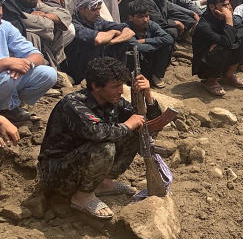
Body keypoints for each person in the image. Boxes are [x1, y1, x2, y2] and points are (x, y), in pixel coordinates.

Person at [37, 56, 159, 219]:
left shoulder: (114, 101)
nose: (121, 91)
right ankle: (82, 196)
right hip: (56, 173)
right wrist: (128, 124)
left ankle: (102, 183)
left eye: (122, 85)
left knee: (136, 133)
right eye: (115, 86)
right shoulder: (73, 104)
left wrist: (148, 97)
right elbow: (97, 132)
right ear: (95, 86)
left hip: (82, 163)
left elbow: (146, 125)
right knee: (105, 145)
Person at [0, 0, 58, 125]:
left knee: (48, 74)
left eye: (0, 6)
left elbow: (37, 56)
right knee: (7, 77)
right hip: (4, 77)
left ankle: (10, 108)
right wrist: (5, 63)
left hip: (6, 79)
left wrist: (25, 63)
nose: (0, 12)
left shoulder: (5, 27)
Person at [5, 0, 74, 67]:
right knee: (32, 35)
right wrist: (51, 20)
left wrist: (46, 15)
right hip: (20, 64)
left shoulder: (32, 2)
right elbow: (46, 26)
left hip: (47, 57)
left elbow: (66, 15)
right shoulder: (9, 11)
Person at [192, 0, 243, 96]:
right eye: (224, 5)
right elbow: (226, 42)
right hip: (204, 64)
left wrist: (230, 29)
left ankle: (229, 75)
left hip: (223, 58)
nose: (228, 8)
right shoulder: (204, 24)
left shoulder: (225, 17)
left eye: (228, 4)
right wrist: (229, 21)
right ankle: (210, 80)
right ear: (212, 7)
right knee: (222, 46)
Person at [63, 0, 134, 85]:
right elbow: (98, 39)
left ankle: (118, 78)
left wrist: (112, 41)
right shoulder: (73, 24)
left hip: (97, 63)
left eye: (99, 9)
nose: (98, 13)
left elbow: (129, 32)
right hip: (79, 68)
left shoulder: (97, 20)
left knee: (123, 41)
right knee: (95, 44)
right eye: (93, 10)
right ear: (81, 9)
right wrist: (113, 32)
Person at [134, 0, 198, 43]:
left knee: (188, 19)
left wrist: (192, 14)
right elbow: (157, 22)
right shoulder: (145, 1)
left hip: (161, 24)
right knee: (171, 32)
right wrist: (176, 23)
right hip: (148, 32)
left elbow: (173, 8)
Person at [126, 0, 174, 88]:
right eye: (140, 17)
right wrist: (156, 46)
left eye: (147, 16)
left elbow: (169, 39)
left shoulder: (151, 25)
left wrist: (145, 40)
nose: (145, 20)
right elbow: (135, 46)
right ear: (131, 18)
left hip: (150, 58)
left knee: (167, 46)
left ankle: (156, 75)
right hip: (135, 62)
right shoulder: (126, 28)